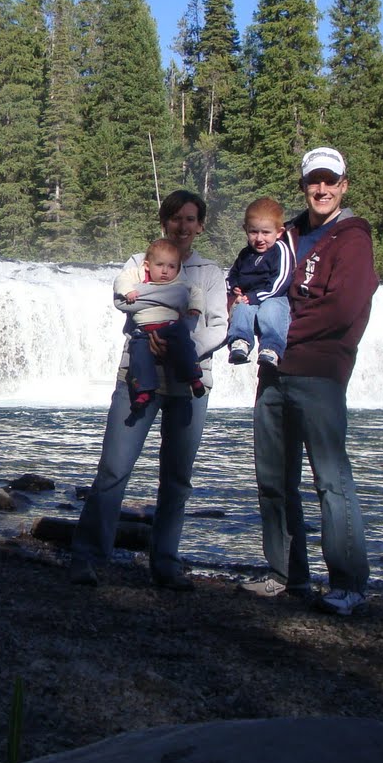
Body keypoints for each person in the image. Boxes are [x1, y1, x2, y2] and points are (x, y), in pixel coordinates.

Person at [69, 190, 229, 591]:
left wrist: (181, 348)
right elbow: (123, 300)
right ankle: (87, 556)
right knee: (113, 469)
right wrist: (151, 328)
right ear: (164, 222)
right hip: (137, 377)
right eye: (175, 218)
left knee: (177, 478)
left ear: (200, 225)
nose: (183, 226)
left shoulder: (209, 273)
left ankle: (166, 563)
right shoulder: (138, 263)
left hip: (190, 383)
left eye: (191, 219)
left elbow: (219, 325)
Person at [243, 147, 378, 616]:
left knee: (330, 480)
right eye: (312, 182)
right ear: (304, 186)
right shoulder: (286, 234)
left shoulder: (353, 240)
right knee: (274, 479)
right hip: (274, 372)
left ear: (343, 185)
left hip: (319, 373)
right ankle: (286, 575)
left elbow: (342, 309)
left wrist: (277, 331)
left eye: (329, 181)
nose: (320, 189)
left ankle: (348, 583)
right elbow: (255, 280)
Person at [116, 237, 206, 412]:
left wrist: (195, 307)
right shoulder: (137, 273)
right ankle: (144, 391)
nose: (165, 271)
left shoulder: (180, 280)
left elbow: (195, 292)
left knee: (185, 345)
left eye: (172, 267)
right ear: (148, 265)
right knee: (139, 356)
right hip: (142, 331)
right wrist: (127, 291)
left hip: (171, 326)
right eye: (160, 265)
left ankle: (194, 378)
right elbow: (120, 282)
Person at [225, 197, 294, 367]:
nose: (259, 238)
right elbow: (233, 274)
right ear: (245, 230)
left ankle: (271, 348)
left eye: (266, 232)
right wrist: (234, 287)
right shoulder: (245, 253)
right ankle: (240, 342)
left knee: (270, 310)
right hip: (250, 298)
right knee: (242, 308)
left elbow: (282, 279)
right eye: (254, 232)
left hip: (275, 296)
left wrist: (257, 296)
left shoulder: (280, 250)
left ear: (279, 232)